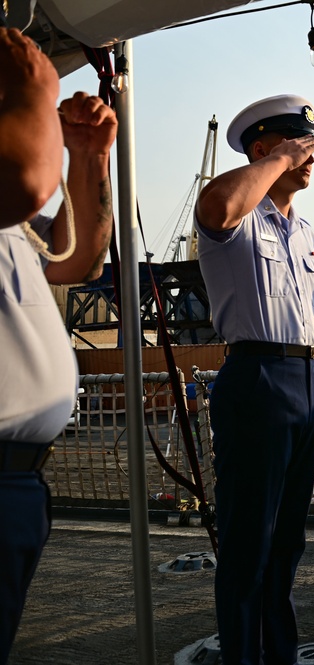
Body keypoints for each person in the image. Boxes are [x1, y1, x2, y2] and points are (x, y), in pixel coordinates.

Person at [195, 94, 314, 664]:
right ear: (261, 148)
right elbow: (218, 204)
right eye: (299, 145)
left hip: (303, 379)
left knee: (288, 542)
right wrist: (278, 160)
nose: (310, 156)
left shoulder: (303, 233)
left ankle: (280, 653)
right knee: (249, 544)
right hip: (256, 377)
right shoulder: (240, 219)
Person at [0, 27, 116, 664]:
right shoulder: (10, 177)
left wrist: (87, 158)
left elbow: (80, 260)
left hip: (19, 481)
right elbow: (23, 173)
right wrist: (37, 85)